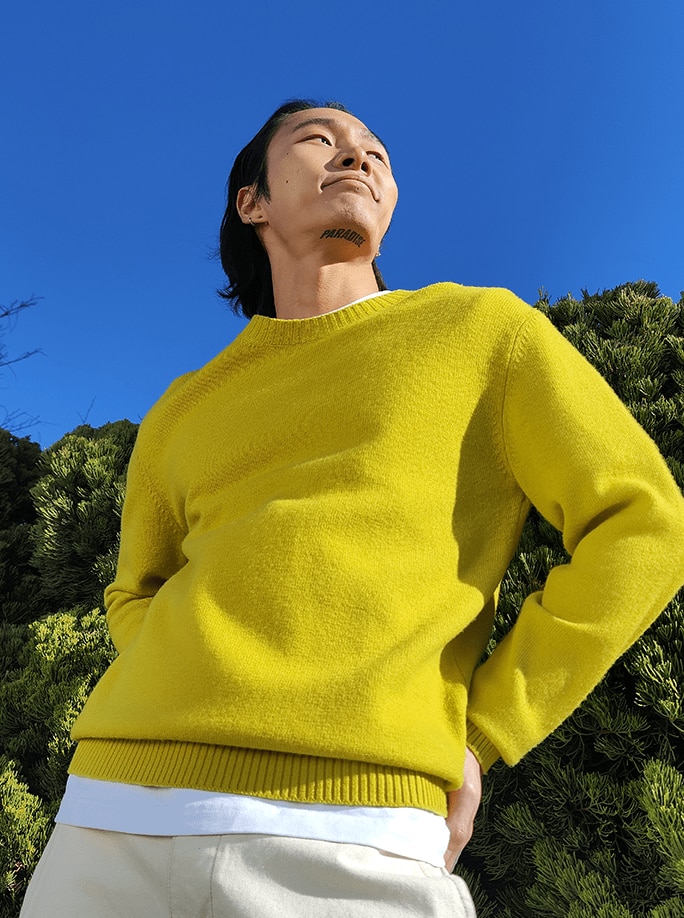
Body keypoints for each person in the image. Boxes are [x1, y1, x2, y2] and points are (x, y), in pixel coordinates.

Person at [21, 98, 684, 917]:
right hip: (108, 821)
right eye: (319, 140)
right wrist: (190, 657)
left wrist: (485, 732)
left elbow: (643, 524)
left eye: (376, 151)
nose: (357, 156)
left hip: (360, 832)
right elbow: (134, 589)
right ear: (252, 201)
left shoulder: (482, 332)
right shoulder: (181, 409)